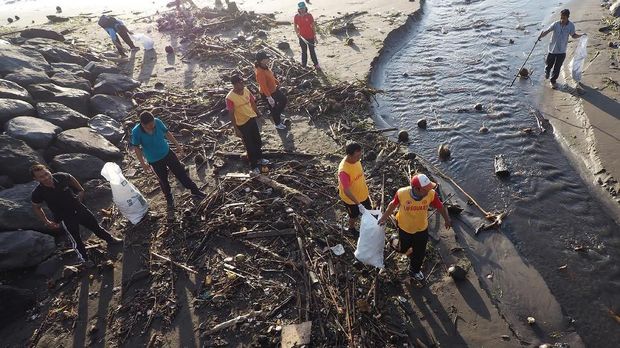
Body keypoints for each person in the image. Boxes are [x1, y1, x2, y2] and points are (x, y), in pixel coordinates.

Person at [30, 164, 123, 265]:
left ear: (48, 170)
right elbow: (36, 207)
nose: (46, 177)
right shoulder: (38, 193)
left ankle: (111, 240)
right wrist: (47, 222)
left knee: (95, 226)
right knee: (76, 239)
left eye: (46, 173)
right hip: (65, 217)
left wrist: (80, 190)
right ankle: (84, 259)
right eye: (41, 177)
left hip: (79, 208)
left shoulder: (60, 177)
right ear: (36, 179)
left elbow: (70, 178)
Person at [378, 174, 451, 282]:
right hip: (404, 228)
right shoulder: (402, 193)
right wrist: (383, 218)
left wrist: (447, 219)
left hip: (421, 229)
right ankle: (393, 239)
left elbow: (439, 206)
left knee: (419, 252)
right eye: (425, 189)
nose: (429, 191)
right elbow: (392, 205)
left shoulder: (431, 194)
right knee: (403, 249)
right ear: (417, 188)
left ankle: (414, 270)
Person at [131, 111, 205, 208]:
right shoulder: (136, 131)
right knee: (163, 180)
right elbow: (136, 148)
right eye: (149, 125)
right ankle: (169, 198)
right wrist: (143, 164)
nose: (152, 126)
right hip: (154, 160)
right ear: (142, 124)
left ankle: (195, 191)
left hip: (167, 153)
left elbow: (167, 133)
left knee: (181, 173)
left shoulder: (157, 122)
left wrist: (177, 145)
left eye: (153, 123)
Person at [226, 75, 270, 173]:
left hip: (251, 118)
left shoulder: (246, 90)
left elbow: (252, 103)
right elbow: (231, 114)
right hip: (242, 124)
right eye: (240, 82)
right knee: (249, 145)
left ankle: (260, 158)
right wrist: (236, 129)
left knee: (257, 140)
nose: (242, 84)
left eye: (242, 82)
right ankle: (253, 165)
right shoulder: (230, 98)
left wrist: (258, 114)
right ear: (235, 84)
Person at [538, 9, 585, 88]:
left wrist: (581, 35)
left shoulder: (571, 26)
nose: (562, 20)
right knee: (549, 64)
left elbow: (573, 35)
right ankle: (547, 70)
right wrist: (541, 36)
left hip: (562, 51)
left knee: (557, 67)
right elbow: (548, 31)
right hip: (552, 49)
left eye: (564, 18)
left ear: (567, 17)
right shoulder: (556, 24)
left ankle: (553, 81)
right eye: (561, 17)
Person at [338, 142, 372, 237]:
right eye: (357, 156)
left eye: (360, 155)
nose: (359, 158)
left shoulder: (356, 160)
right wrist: (358, 204)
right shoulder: (343, 171)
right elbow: (347, 191)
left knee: (369, 210)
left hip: (363, 194)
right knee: (353, 215)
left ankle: (367, 226)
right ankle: (351, 228)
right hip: (351, 200)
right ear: (349, 155)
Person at [254, 51, 288, 130]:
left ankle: (277, 114)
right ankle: (277, 123)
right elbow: (263, 86)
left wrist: (276, 82)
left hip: (273, 90)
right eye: (266, 58)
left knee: (283, 100)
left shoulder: (265, 66)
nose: (268, 59)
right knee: (273, 108)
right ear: (262, 60)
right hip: (267, 93)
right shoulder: (260, 72)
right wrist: (269, 97)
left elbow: (270, 76)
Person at [294, 2, 320, 69]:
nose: (302, 10)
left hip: (310, 36)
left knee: (312, 51)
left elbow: (313, 26)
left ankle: (316, 64)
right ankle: (304, 65)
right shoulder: (296, 16)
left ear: (305, 8)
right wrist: (298, 33)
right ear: (298, 9)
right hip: (302, 37)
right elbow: (295, 26)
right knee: (304, 52)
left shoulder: (309, 16)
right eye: (300, 9)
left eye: (303, 8)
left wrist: (315, 36)